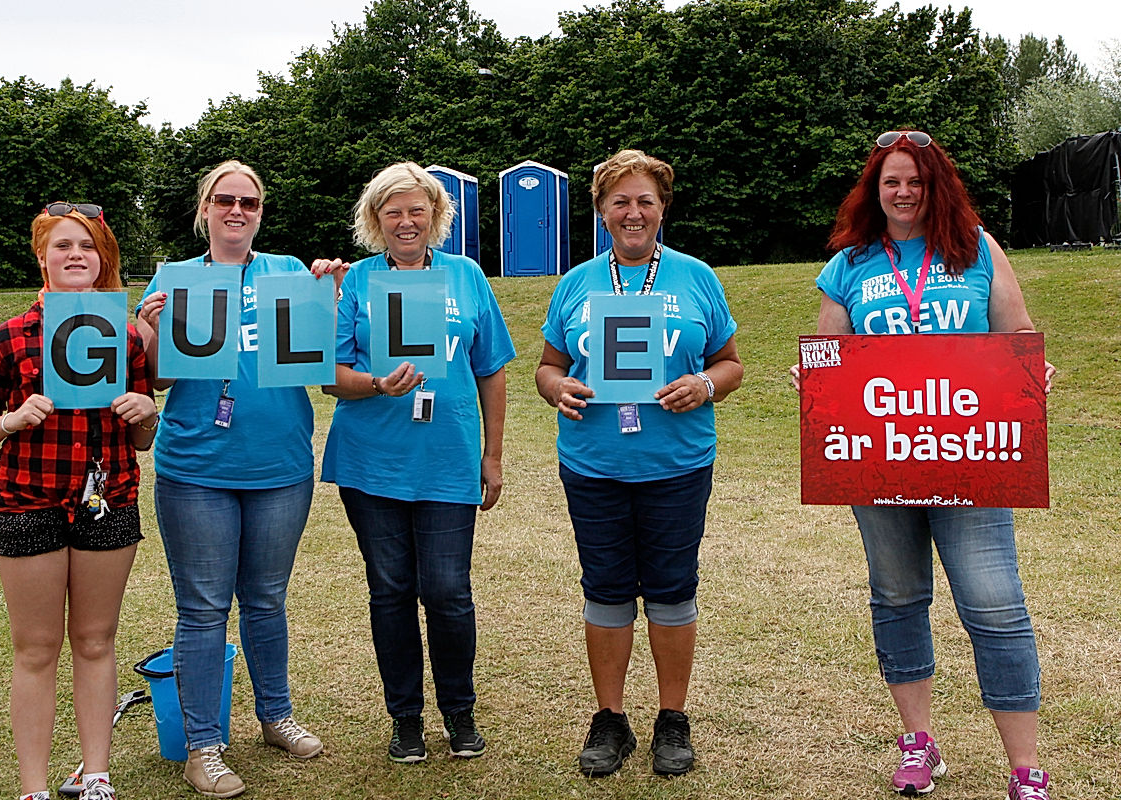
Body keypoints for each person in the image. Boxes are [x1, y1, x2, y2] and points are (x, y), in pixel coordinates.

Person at [792, 130, 1057, 799]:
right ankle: (918, 742)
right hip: (880, 461)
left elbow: (1017, 333)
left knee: (995, 604)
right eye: (892, 181)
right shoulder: (850, 263)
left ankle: (1025, 768)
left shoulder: (976, 247)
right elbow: (830, 352)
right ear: (875, 190)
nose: (904, 192)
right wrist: (814, 380)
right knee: (898, 596)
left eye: (916, 180)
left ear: (936, 186)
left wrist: (1033, 370)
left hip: (970, 458)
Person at [134, 161, 346, 798]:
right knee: (203, 609)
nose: (236, 210)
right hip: (196, 470)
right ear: (204, 209)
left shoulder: (289, 271)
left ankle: (276, 716)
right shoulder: (174, 278)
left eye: (248, 202)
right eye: (224, 200)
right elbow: (159, 379)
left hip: (280, 466)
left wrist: (329, 296)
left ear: (259, 211)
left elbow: (320, 365)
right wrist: (150, 329)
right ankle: (203, 746)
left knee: (267, 599)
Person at [535, 149, 743, 777]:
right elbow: (548, 367)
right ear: (601, 211)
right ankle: (610, 718)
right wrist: (557, 388)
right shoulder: (576, 283)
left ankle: (672, 717)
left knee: (673, 590)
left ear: (662, 208)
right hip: (593, 464)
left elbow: (730, 364)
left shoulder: (696, 276)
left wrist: (704, 385)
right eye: (619, 201)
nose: (633, 212)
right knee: (604, 590)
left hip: (677, 464)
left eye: (644, 201)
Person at [0, 203, 159, 800]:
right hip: (29, 503)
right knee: (36, 649)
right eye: (63, 245)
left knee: (96, 641)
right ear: (42, 256)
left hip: (109, 500)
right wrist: (12, 419)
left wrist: (147, 413)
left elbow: (141, 440)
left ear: (102, 259)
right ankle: (33, 788)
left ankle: (97, 775)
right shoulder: (11, 336)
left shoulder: (126, 337)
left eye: (88, 246)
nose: (76, 255)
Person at [320, 162, 515, 764]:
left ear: (436, 214)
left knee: (449, 591)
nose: (406, 222)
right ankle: (405, 717)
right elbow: (331, 377)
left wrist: (493, 454)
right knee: (391, 591)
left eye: (416, 210)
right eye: (393, 212)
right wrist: (378, 384)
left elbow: (492, 368)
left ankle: (459, 710)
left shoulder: (467, 275)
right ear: (375, 219)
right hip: (371, 462)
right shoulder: (358, 282)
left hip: (448, 458)